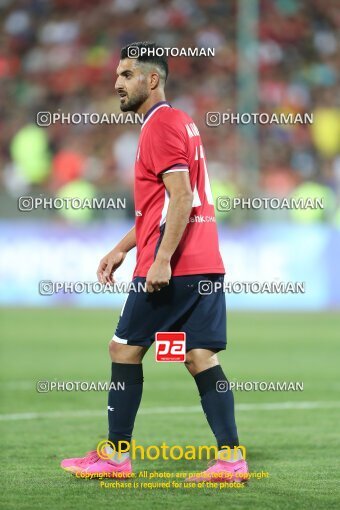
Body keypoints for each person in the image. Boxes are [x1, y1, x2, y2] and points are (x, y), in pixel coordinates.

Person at [61, 41, 248, 483]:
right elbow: (163, 205)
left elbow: (182, 197)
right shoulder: (181, 121)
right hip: (204, 262)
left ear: (152, 79)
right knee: (200, 357)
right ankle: (230, 459)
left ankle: (116, 456)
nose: (116, 83)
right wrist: (124, 246)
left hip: (173, 266)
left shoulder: (158, 126)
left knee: (123, 349)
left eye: (126, 75)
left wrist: (161, 259)